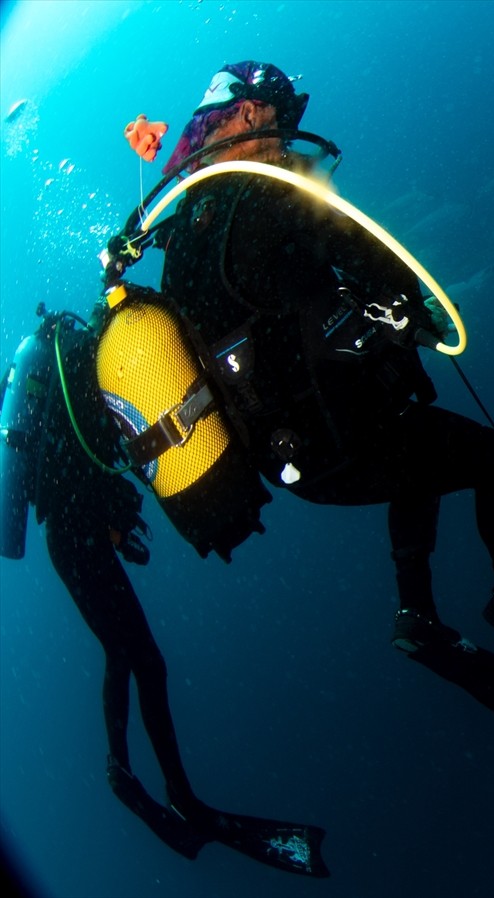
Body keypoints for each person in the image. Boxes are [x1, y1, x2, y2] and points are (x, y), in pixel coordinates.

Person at [152, 61, 494, 654]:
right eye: (281, 122)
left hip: (284, 456)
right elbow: (375, 260)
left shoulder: (182, 230)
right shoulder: (274, 193)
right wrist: (413, 316)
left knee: (414, 447)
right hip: (343, 438)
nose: (286, 138)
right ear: (250, 113)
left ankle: (417, 616)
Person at [0, 309, 328, 876]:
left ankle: (139, 778)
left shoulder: (57, 386)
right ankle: (165, 791)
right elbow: (101, 456)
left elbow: (82, 466)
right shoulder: (77, 372)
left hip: (74, 544)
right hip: (76, 545)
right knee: (140, 658)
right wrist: (116, 514)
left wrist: (117, 521)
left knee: (133, 657)